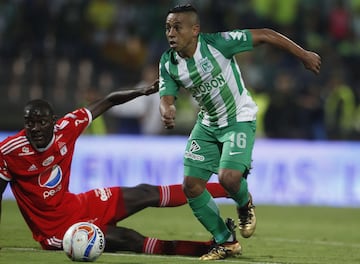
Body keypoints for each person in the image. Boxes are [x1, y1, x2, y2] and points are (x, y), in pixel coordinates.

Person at [159, 4, 321, 260]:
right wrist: (167, 109)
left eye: (177, 27)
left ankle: (245, 206)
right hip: (208, 124)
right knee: (191, 185)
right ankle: (226, 241)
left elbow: (266, 34)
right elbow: (167, 95)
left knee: (229, 178)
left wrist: (303, 55)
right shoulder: (169, 62)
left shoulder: (218, 44)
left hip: (238, 118)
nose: (171, 33)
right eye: (168, 27)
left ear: (195, 30)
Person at [0, 81, 232, 257]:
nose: (36, 129)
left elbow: (109, 100)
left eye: (42, 122)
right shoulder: (9, 151)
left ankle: (227, 189)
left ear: (54, 121)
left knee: (144, 192)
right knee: (128, 239)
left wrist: (141, 92)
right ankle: (207, 248)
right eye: (30, 123)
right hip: (58, 232)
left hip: (78, 204)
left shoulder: (67, 127)